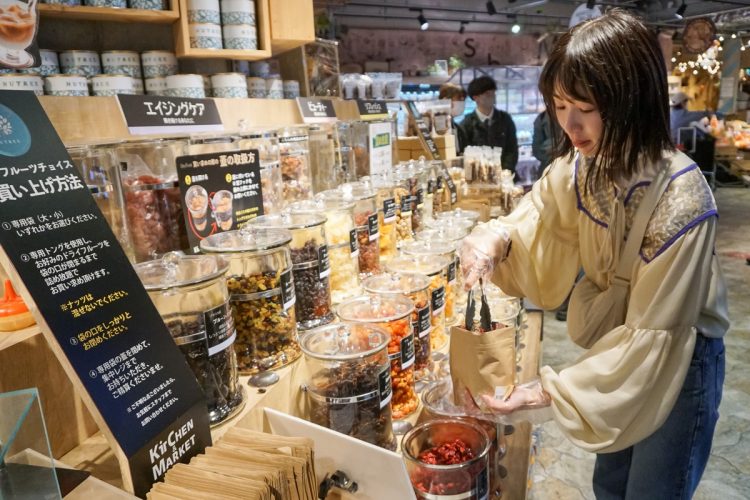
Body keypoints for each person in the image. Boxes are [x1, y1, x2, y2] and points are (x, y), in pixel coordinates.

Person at [460, 9, 729, 499]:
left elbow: (657, 337)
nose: (572, 125)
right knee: (610, 482)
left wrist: (546, 391)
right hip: (618, 349)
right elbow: (538, 212)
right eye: (561, 106)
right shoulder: (585, 165)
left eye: (587, 106)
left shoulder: (682, 197)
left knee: (652, 490)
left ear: (631, 101)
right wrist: (493, 238)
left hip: (676, 357)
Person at [457, 75, 519, 173]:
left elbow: (512, 149)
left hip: (504, 175)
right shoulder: (466, 124)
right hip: (478, 177)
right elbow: (465, 154)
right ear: (476, 97)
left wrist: (506, 170)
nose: (493, 96)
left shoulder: (505, 119)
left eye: (493, 92)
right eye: (487, 94)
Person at [438, 83, 468, 150]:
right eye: (459, 99)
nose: (462, 103)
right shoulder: (434, 127)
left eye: (464, 100)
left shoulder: (458, 128)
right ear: (445, 100)